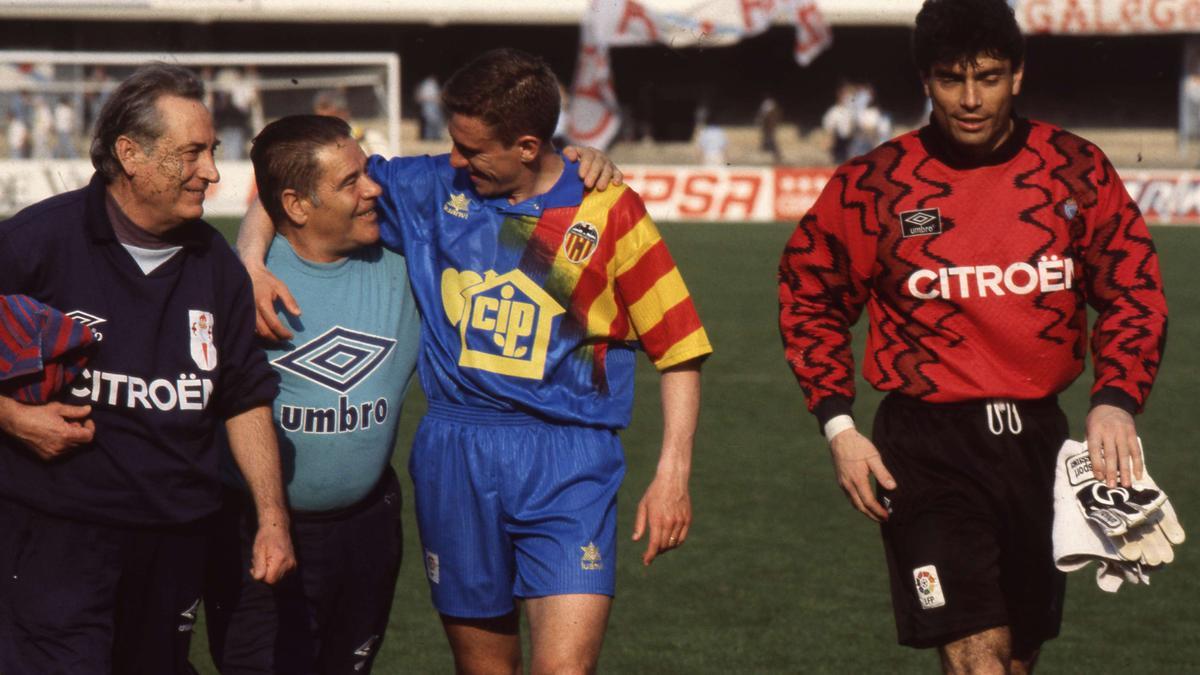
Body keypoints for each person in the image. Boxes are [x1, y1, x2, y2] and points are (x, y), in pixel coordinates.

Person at [240, 47, 711, 674]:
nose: (453, 160)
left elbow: (677, 346)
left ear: (525, 144)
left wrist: (673, 471)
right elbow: (289, 182)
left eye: (470, 149)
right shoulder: (428, 186)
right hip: (456, 452)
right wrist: (247, 263)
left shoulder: (609, 207)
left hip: (570, 455)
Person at [777, 1, 1167, 673]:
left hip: (1040, 448)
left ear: (1017, 75)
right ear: (925, 80)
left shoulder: (1076, 170)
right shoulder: (873, 185)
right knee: (976, 657)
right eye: (950, 79)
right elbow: (808, 294)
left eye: (987, 77)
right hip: (926, 449)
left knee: (1015, 657)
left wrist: (1116, 399)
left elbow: (1134, 290)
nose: (969, 98)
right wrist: (838, 426)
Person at [0, 62, 295, 675]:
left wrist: (271, 518)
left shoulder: (215, 264)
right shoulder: (35, 242)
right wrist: (14, 418)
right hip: (58, 537)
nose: (211, 172)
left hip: (175, 538)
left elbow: (243, 396)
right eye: (191, 154)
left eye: (211, 152)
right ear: (130, 154)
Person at [204, 114, 420, 674]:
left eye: (366, 173)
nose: (372, 189)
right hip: (255, 527)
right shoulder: (239, 282)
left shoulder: (405, 255)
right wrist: (249, 259)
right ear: (297, 207)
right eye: (350, 182)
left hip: (367, 527)